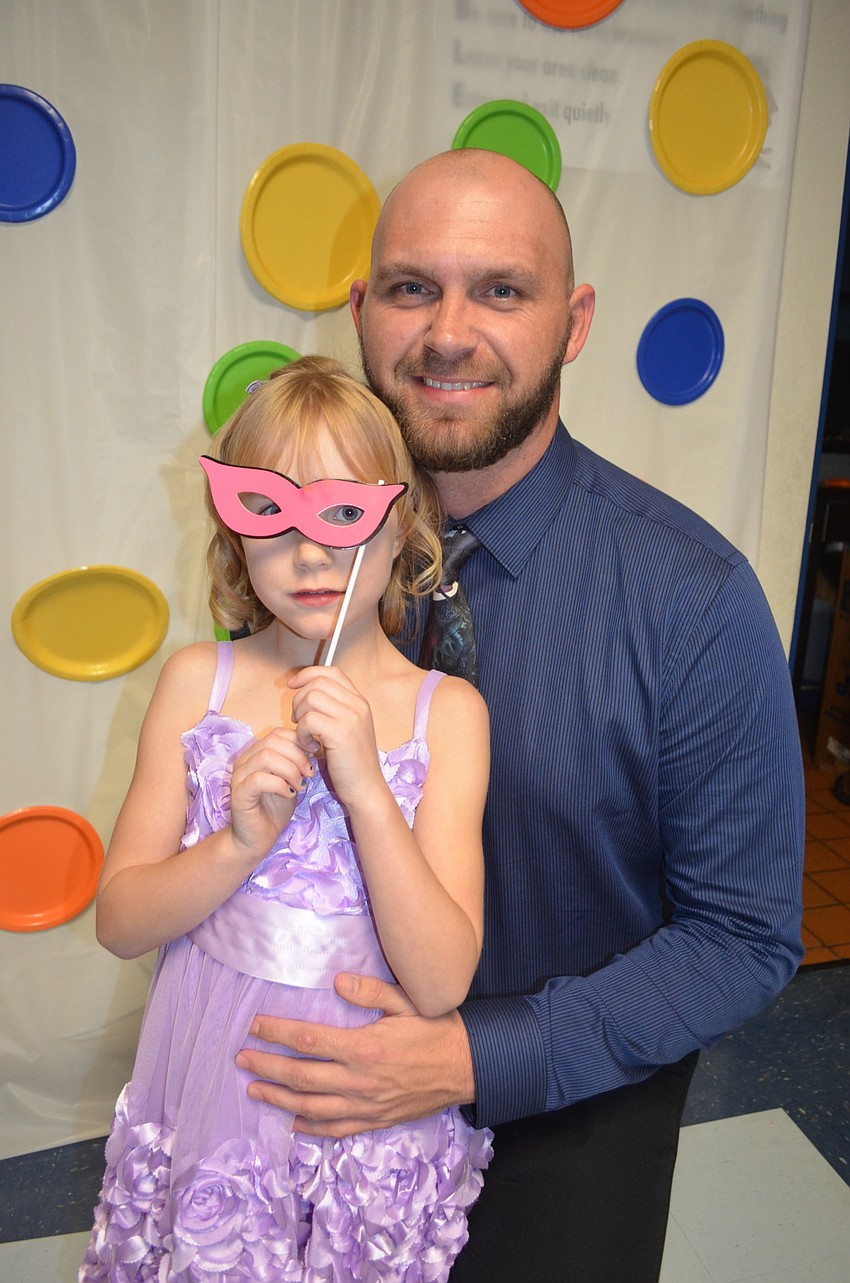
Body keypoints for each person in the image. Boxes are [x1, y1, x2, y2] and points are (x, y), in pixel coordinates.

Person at [233, 151, 806, 1282]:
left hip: (562, 1130)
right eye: (409, 288)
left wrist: (466, 1057)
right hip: (300, 1113)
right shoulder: (293, 561)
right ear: (360, 309)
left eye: (501, 289)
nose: (448, 332)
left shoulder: (690, 600)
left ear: (574, 319)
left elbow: (742, 937)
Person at [79, 356, 492, 1282]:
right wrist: (238, 842)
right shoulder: (199, 684)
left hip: (361, 1105)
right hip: (210, 1080)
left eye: (342, 513)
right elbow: (119, 921)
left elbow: (442, 981)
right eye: (273, 515)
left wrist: (368, 792)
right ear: (235, 533)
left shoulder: (447, 716)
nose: (310, 554)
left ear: (400, 528)